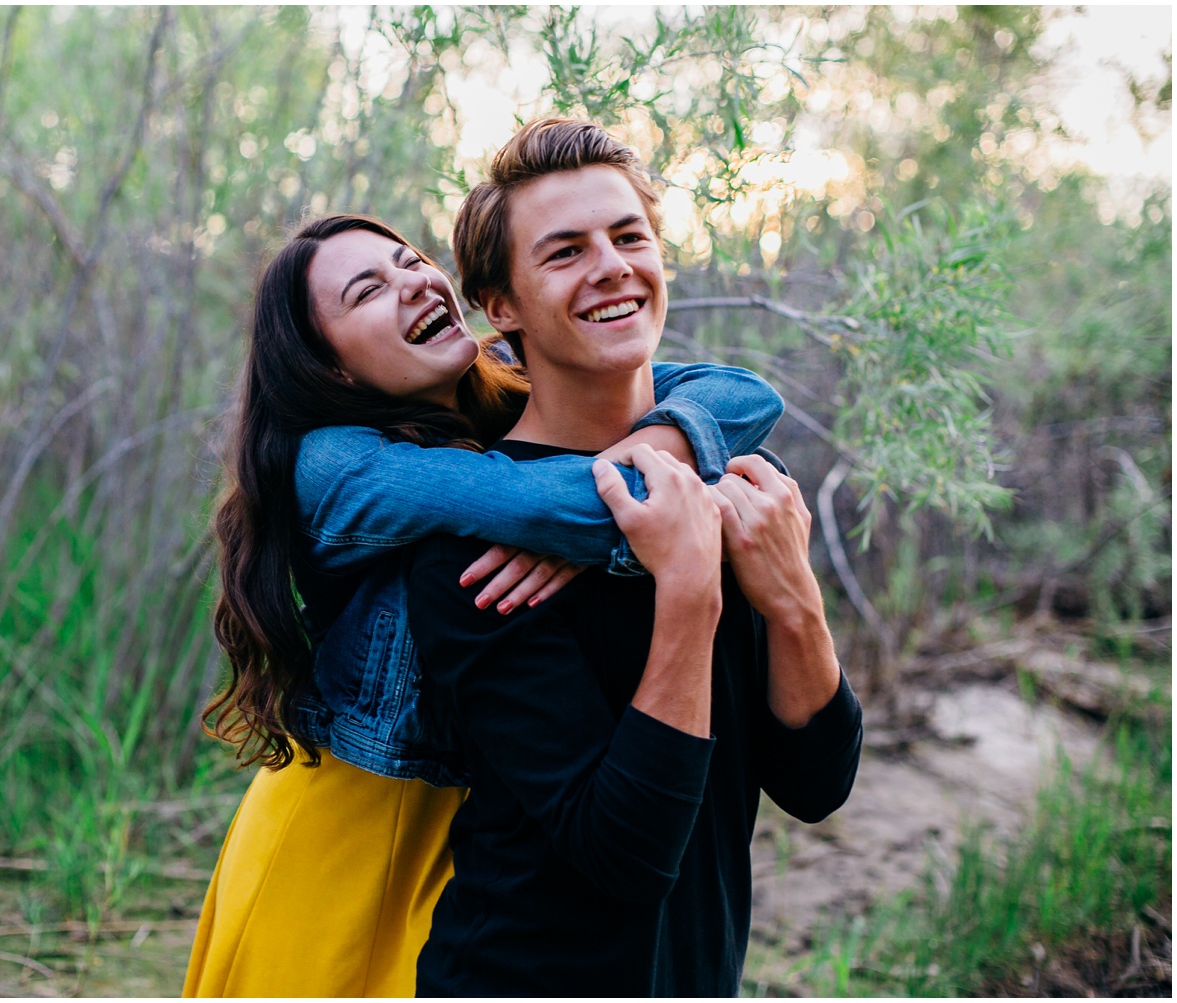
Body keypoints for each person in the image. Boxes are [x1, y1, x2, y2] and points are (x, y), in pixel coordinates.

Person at [183, 213, 785, 996]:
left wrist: (647, 458)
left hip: (466, 823)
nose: (414, 283)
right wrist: (589, 521)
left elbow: (744, 394)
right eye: (369, 290)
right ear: (328, 368)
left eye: (412, 261)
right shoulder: (334, 464)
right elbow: (579, 508)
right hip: (352, 823)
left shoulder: (508, 387)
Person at [408, 119, 863, 996]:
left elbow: (817, 783)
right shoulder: (475, 546)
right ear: (501, 307)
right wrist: (688, 590)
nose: (611, 266)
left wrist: (794, 600)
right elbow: (621, 852)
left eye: (628, 236)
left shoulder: (739, 484)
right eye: (565, 251)